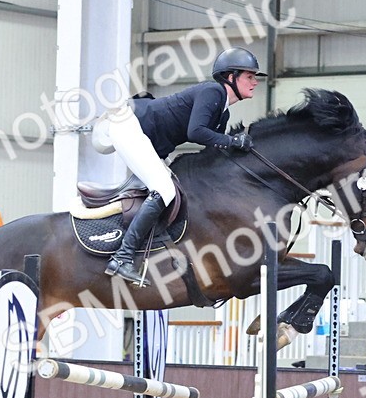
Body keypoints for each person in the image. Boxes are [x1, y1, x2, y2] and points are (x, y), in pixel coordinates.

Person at [92, 46, 265, 286]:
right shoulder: (212, 92)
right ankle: (122, 258)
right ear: (231, 77)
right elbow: (196, 132)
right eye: (249, 76)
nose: (255, 82)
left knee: (173, 190)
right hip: (128, 125)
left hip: (146, 139)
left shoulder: (221, 114)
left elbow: (212, 151)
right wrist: (233, 140)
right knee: (163, 189)